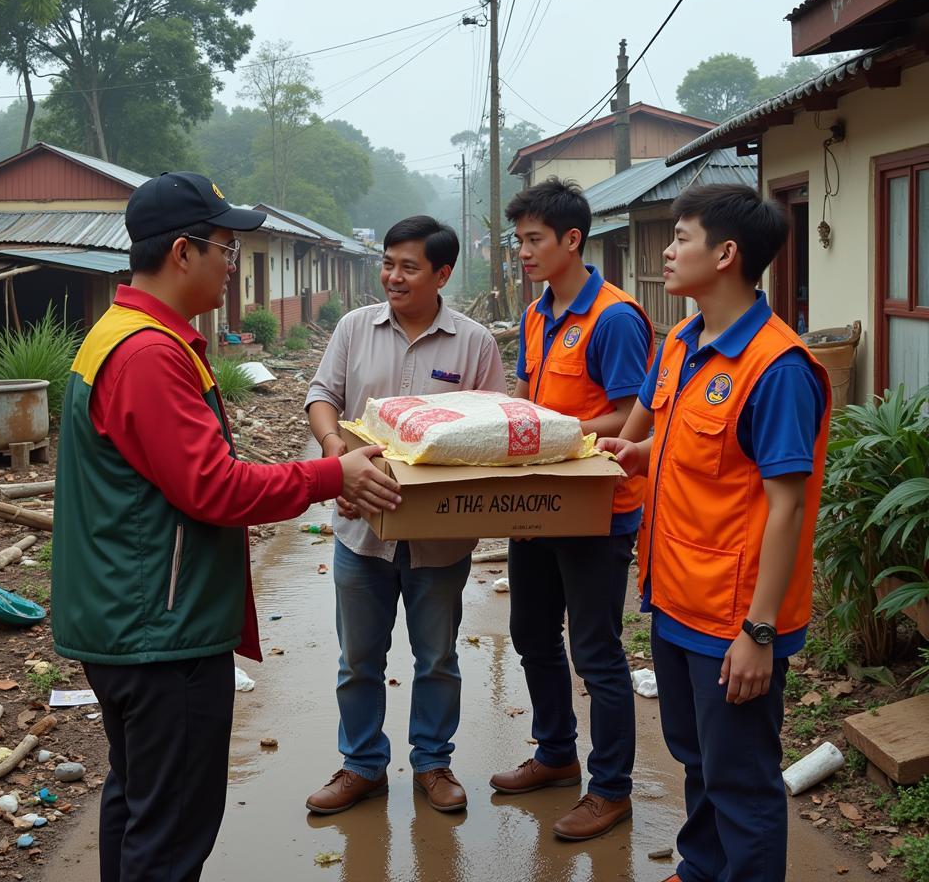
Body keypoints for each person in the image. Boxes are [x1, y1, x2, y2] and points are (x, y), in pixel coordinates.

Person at [52, 171, 400, 882]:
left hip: (130, 618)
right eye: (227, 248)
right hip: (159, 631)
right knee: (171, 832)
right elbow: (213, 488)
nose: (232, 264)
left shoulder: (125, 334)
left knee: (138, 805)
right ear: (184, 252)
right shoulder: (148, 354)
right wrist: (333, 475)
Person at [599, 183, 831, 882]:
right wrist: (638, 454)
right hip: (675, 598)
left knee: (739, 777)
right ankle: (701, 868)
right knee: (698, 756)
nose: (666, 252)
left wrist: (759, 633)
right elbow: (686, 446)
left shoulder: (777, 367)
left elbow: (785, 507)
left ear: (726, 254)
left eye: (680, 238)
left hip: (735, 614)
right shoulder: (681, 341)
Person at [304, 215, 507, 816]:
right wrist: (334, 452)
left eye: (408, 267)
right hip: (359, 530)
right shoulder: (353, 328)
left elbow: (494, 428)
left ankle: (432, 764)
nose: (393, 276)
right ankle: (362, 766)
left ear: (442, 273)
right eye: (388, 263)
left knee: (437, 658)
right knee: (358, 659)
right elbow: (323, 397)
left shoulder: (475, 344)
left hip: (440, 539)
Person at [489, 176, 653, 842]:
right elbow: (527, 396)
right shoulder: (536, 314)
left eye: (533, 240)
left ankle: (610, 789)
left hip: (596, 508)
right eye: (518, 240)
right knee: (531, 632)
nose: (522, 252)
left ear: (571, 239)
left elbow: (632, 415)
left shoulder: (614, 317)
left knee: (595, 650)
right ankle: (556, 754)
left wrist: (557, 432)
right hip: (540, 502)